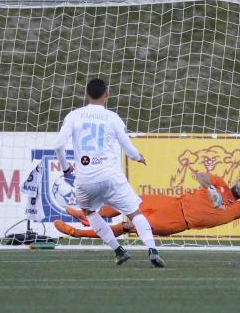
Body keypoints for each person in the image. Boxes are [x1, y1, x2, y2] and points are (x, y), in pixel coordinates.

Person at [54, 78, 165, 268]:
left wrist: (65, 168)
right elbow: (128, 150)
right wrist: (138, 157)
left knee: (89, 212)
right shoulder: (113, 118)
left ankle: (118, 250)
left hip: (86, 179)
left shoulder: (74, 116)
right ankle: (152, 250)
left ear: (87, 95)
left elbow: (58, 145)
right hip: (111, 177)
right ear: (106, 94)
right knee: (134, 213)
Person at [54, 171, 240, 238]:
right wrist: (211, 189)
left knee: (130, 225)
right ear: (237, 180)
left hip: (177, 222)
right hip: (171, 203)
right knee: (127, 201)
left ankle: (81, 230)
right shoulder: (221, 184)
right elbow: (200, 175)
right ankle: (86, 215)